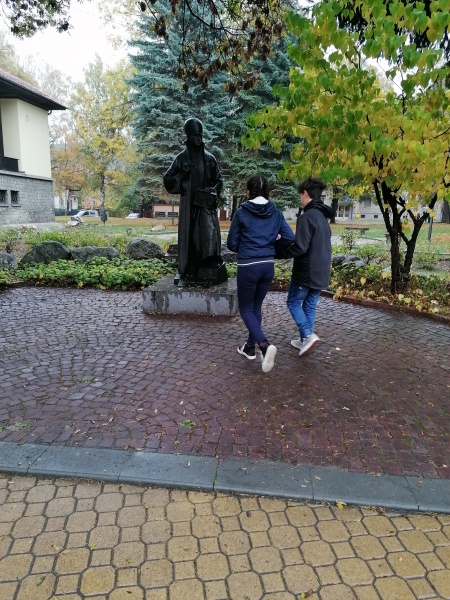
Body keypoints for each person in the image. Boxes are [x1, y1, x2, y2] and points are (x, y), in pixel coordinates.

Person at [227, 175, 295, 373]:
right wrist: (272, 244)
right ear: (267, 192)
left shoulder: (241, 213)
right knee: (255, 307)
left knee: (246, 308)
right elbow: (289, 237)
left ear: (248, 192)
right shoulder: (276, 212)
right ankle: (250, 347)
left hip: (248, 265)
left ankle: (264, 345)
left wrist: (247, 247)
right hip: (267, 266)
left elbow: (231, 244)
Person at [163, 117, 223, 286]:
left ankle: (208, 264)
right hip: (189, 205)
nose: (199, 138)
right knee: (190, 238)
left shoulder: (209, 158)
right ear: (189, 136)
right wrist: (182, 176)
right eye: (196, 135)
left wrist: (213, 190)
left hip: (205, 205)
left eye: (201, 135)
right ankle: (190, 269)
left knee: (208, 233)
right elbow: (168, 179)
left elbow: (218, 180)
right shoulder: (181, 159)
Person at [281, 176, 333, 356]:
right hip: (321, 271)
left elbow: (300, 247)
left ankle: (308, 335)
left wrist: (280, 253)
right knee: (309, 306)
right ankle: (305, 340)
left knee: (293, 302)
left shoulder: (306, 217)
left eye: (300, 195)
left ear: (305, 193)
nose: (300, 199)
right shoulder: (323, 218)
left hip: (306, 272)